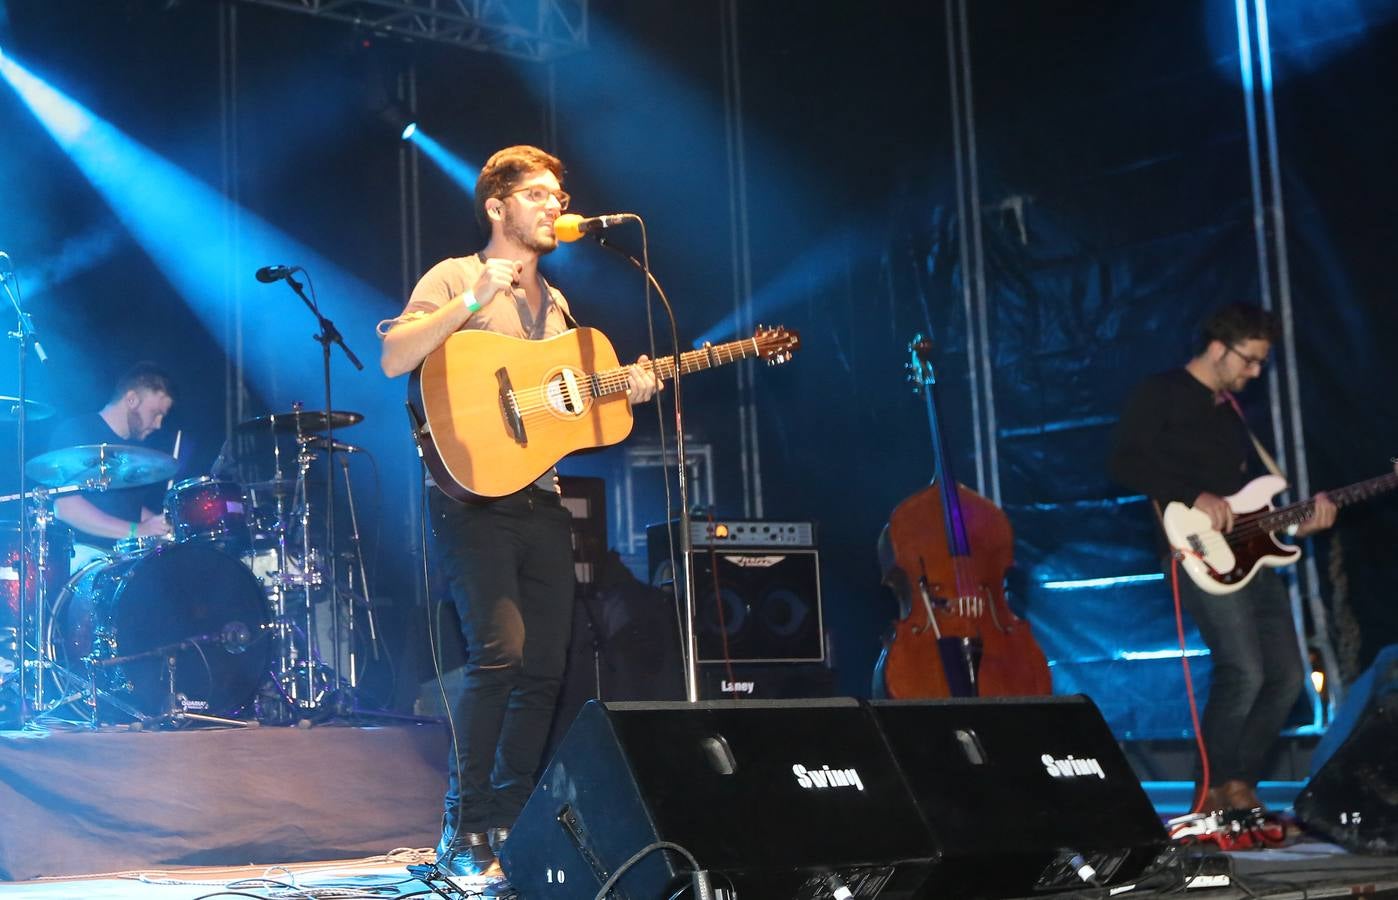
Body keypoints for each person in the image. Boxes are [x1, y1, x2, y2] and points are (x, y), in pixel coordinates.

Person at [379, 145, 662, 878]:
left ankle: (506, 823)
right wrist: (472, 299)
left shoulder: (558, 306)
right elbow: (394, 358)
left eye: (558, 194)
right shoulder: (454, 275)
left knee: (543, 665)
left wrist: (622, 390)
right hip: (469, 500)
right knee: (498, 654)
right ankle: (460, 827)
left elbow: (563, 415)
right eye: (537, 194)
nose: (554, 205)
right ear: (498, 207)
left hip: (540, 499)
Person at [1109, 303, 1337, 815]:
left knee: (1285, 675)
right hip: (1194, 552)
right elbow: (1123, 459)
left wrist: (1301, 520)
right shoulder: (1161, 392)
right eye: (1250, 360)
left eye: (1260, 362)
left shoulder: (1229, 412)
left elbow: (1250, 501)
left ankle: (1240, 785)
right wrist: (1192, 495)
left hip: (1250, 551)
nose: (1255, 372)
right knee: (1243, 671)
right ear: (1218, 349)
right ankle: (1207, 791)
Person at [48, 362, 175, 549]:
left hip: (123, 557)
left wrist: (161, 526)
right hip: (82, 555)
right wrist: (137, 530)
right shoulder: (77, 432)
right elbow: (66, 508)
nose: (158, 425)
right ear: (131, 399)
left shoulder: (135, 450)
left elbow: (127, 508)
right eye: (155, 413)